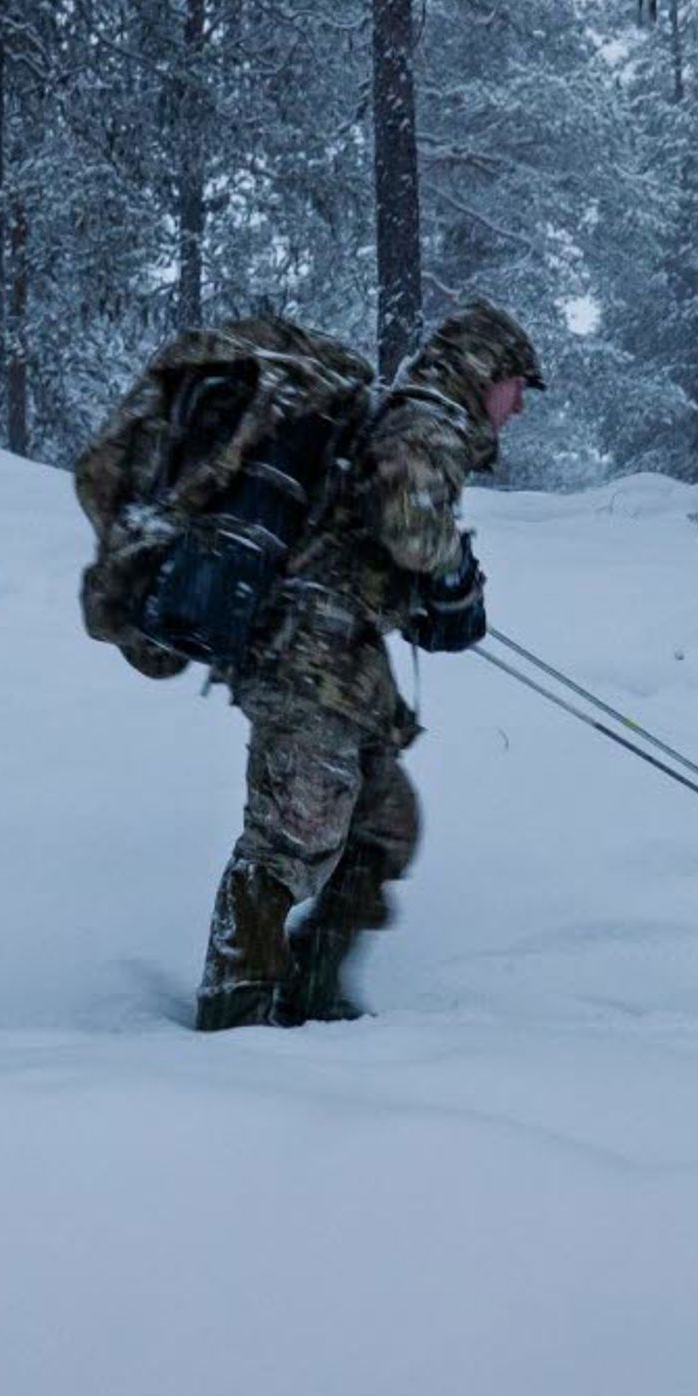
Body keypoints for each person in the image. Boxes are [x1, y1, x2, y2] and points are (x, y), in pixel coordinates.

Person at [197, 301, 539, 1031]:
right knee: (294, 836)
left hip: (340, 657)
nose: (518, 408)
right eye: (518, 387)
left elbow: (372, 545)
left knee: (386, 824)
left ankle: (310, 989)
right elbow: (410, 528)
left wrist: (436, 601)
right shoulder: (426, 422)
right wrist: (452, 576)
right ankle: (234, 1014)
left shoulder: (416, 421)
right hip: (305, 655)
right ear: (486, 374)